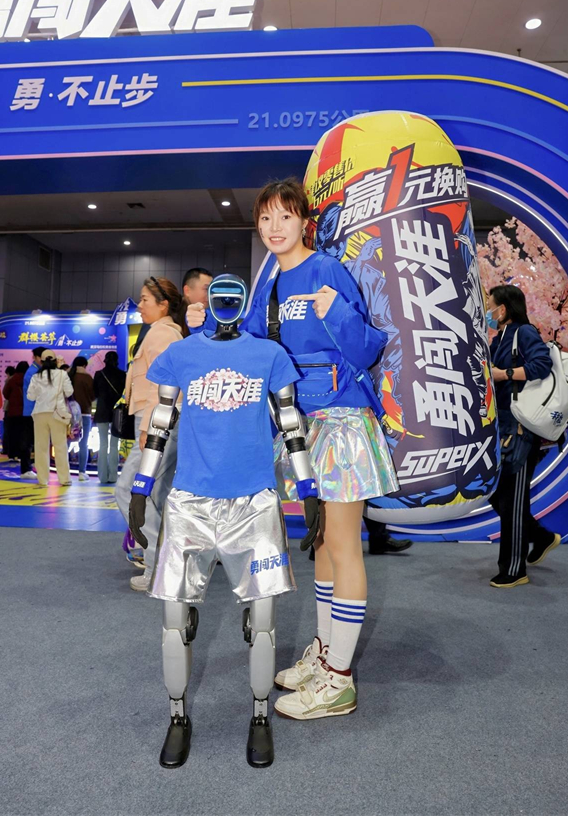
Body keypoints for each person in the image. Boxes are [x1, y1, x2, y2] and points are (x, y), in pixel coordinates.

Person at [187, 178, 399, 721]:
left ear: (306, 221)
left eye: (285, 216)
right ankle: (326, 654)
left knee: (344, 545)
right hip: (298, 427)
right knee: (322, 542)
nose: (274, 227)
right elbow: (247, 345)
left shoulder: (327, 270)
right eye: (265, 218)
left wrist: (336, 314)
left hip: (342, 420)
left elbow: (368, 348)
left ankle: (339, 680)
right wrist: (205, 328)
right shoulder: (269, 283)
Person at [128, 273, 317, 769]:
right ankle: (177, 716)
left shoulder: (269, 355)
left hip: (254, 503)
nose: (228, 304)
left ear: (244, 303)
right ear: (209, 303)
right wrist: (142, 486)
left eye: (235, 298)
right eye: (221, 297)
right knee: (174, 621)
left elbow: (290, 422)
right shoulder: (183, 354)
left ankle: (260, 715)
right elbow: (161, 421)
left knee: (263, 621)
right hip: (190, 502)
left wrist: (308, 487)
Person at [487, 285, 560, 587]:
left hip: (521, 429)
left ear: (503, 309)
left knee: (513, 501)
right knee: (499, 496)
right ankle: (540, 537)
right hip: (503, 426)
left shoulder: (523, 332)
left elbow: (542, 365)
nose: (488, 311)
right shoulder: (500, 338)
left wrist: (504, 374)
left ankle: (514, 569)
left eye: (491, 305)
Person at [115, 277, 183, 592]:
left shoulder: (163, 334)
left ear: (163, 304)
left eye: (145, 299)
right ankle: (168, 563)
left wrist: (148, 429)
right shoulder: (161, 332)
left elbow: (164, 385)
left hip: (158, 422)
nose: (139, 305)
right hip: (161, 421)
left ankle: (157, 567)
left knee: (131, 491)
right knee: (157, 495)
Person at [27, 350, 73, 487]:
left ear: (41, 361)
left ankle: (42, 479)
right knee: (60, 447)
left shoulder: (36, 376)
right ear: (55, 361)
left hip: (40, 413)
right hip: (57, 413)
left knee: (41, 447)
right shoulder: (62, 374)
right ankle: (64, 479)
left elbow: (30, 396)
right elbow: (69, 392)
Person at [93, 351, 126, 484]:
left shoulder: (98, 374)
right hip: (117, 412)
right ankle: (113, 476)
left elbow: (95, 393)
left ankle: (103, 476)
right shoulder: (122, 375)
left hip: (102, 411)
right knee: (114, 445)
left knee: (102, 444)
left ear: (105, 360)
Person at [69, 357, 95, 481]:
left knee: (66, 442)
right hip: (85, 414)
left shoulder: (69, 376)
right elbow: (93, 396)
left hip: (69, 415)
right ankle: (81, 472)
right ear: (85, 365)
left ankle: (64, 471)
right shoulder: (88, 378)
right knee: (83, 443)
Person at [22, 346, 45, 479]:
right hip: (31, 411)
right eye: (41, 356)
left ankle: (33, 465)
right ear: (35, 357)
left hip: (37, 411)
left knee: (36, 440)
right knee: (28, 441)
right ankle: (25, 470)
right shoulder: (32, 372)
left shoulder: (39, 370)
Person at [3, 361, 29, 465]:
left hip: (13, 412)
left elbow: (5, 393)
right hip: (25, 412)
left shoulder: (12, 379)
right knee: (23, 435)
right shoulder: (29, 379)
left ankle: (12, 455)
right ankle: (22, 455)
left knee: (12, 434)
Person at [1, 366, 16, 456]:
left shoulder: (9, 380)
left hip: (8, 407)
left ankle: (6, 449)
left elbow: (5, 393)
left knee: (7, 429)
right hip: (17, 409)